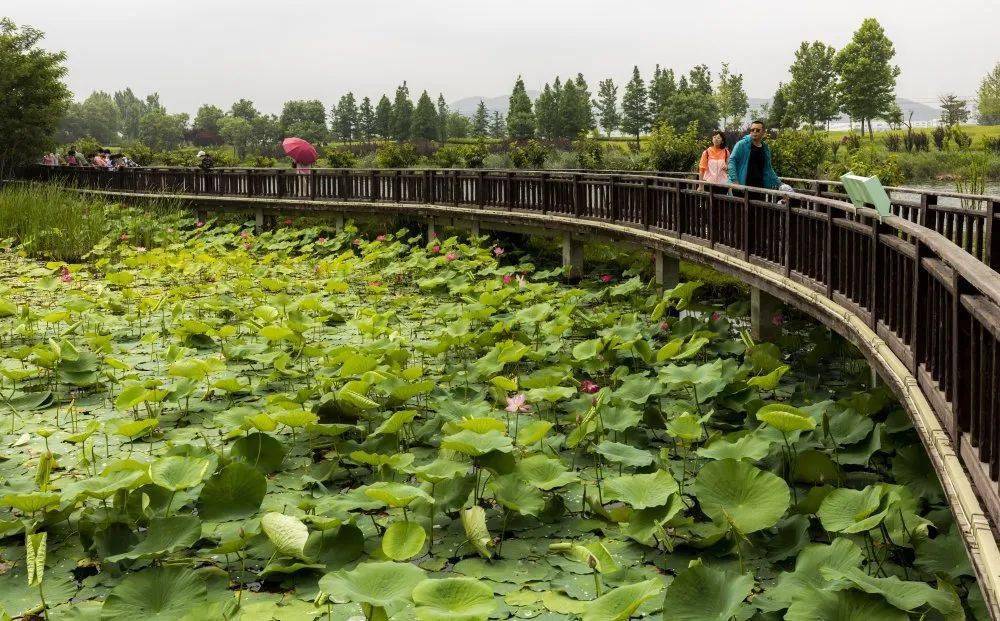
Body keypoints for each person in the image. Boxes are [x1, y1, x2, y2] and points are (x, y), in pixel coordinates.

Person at [727, 120, 781, 192]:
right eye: (752, 130)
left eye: (758, 130)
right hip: (742, 187)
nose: (754, 132)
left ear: (763, 132)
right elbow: (731, 162)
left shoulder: (765, 148)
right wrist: (735, 182)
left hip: (759, 188)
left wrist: (780, 183)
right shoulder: (742, 144)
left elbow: (768, 169)